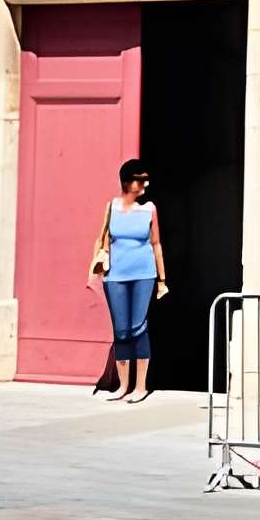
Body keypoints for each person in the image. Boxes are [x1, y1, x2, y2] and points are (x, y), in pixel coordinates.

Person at [87, 159, 168, 399]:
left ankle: (140, 386)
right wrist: (94, 269)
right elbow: (101, 236)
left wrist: (162, 280)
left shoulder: (149, 209)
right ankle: (123, 386)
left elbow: (156, 244)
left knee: (138, 327)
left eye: (145, 179)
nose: (144, 183)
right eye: (139, 179)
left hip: (144, 273)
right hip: (116, 275)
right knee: (121, 330)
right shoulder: (111, 207)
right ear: (126, 181)